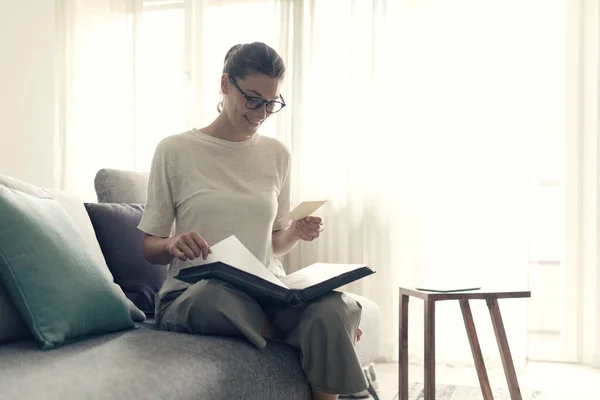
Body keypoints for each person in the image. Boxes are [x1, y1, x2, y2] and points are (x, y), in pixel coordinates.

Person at [138, 42, 368, 400]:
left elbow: (274, 243)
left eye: (271, 102)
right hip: (194, 295)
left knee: (336, 307)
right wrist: (170, 244)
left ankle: (319, 339)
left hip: (266, 293)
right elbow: (150, 247)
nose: (261, 112)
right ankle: (308, 341)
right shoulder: (175, 150)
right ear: (226, 84)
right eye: (253, 99)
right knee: (214, 296)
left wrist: (295, 231)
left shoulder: (277, 155)